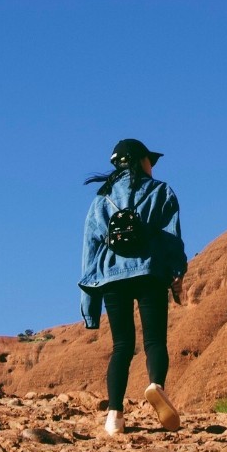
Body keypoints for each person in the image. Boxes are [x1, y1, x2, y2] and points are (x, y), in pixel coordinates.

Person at [79, 138, 188, 436]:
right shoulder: (161, 191)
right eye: (150, 160)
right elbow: (171, 237)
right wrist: (178, 272)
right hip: (150, 273)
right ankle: (156, 386)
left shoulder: (101, 199)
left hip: (112, 278)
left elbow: (90, 252)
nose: (152, 165)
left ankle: (114, 415)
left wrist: (89, 306)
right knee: (154, 341)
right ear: (141, 161)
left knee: (122, 346)